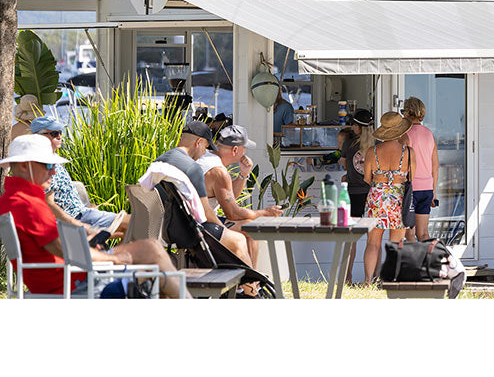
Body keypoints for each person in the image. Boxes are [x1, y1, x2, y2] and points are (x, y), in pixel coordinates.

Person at [0, 134, 187, 298]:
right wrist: (114, 259)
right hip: (73, 283)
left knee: (151, 253)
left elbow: (55, 246)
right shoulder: (27, 204)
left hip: (64, 276)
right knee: (153, 261)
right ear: (25, 166)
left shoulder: (12, 199)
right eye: (49, 165)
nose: (54, 171)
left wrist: (86, 238)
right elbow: (64, 250)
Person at [155, 120, 253, 266]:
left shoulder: (163, 160)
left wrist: (242, 175)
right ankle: (250, 287)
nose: (204, 153)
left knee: (239, 231)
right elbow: (207, 213)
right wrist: (224, 229)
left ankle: (247, 286)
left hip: (164, 225)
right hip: (184, 230)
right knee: (240, 238)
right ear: (199, 142)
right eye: (206, 147)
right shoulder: (193, 168)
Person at [30, 115, 130, 238]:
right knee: (131, 224)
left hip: (82, 213)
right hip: (75, 219)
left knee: (131, 226)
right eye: (55, 133)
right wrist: (74, 223)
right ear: (39, 137)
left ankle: (107, 254)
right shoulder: (42, 164)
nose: (60, 136)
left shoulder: (53, 160)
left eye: (60, 132)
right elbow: (48, 203)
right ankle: (108, 255)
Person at [197, 123, 282, 266]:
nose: (245, 152)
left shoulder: (208, 158)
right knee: (252, 228)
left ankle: (245, 283)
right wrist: (265, 212)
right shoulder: (218, 171)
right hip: (201, 225)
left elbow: (230, 199)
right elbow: (233, 214)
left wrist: (243, 174)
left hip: (195, 221)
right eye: (244, 148)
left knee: (247, 226)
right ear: (235, 149)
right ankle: (251, 283)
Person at [362, 111, 415, 283]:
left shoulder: (372, 151)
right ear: (400, 131)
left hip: (377, 196)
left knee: (372, 242)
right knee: (395, 243)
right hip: (397, 199)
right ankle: (391, 280)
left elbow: (367, 179)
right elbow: (411, 178)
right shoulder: (409, 152)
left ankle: (368, 280)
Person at [338, 109, 374, 284]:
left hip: (353, 194)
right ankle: (372, 278)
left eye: (353, 124)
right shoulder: (378, 143)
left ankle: (347, 277)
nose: (351, 127)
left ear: (358, 126)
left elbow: (344, 164)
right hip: (373, 194)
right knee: (374, 239)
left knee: (350, 239)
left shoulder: (349, 144)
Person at [402, 96, 439, 243]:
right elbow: (435, 166)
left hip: (411, 189)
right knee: (423, 234)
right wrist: (433, 191)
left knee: (409, 234)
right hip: (427, 189)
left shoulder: (405, 135)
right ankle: (429, 264)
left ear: (407, 112)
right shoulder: (429, 134)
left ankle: (414, 265)